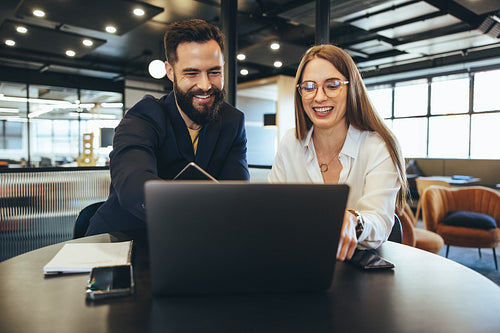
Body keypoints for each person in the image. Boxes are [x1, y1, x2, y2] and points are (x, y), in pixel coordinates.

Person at [86, 19, 249, 236]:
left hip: (193, 245)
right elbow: (135, 187)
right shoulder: (143, 117)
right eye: (191, 73)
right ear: (170, 72)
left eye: (214, 72)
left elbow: (237, 195)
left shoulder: (232, 121)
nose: (205, 85)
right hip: (124, 240)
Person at [268, 44, 407, 261]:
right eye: (309, 87)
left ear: (351, 88)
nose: (319, 97)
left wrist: (354, 220)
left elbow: (379, 222)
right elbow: (273, 209)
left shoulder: (377, 147)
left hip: (356, 270)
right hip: (298, 260)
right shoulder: (290, 142)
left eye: (332, 85)